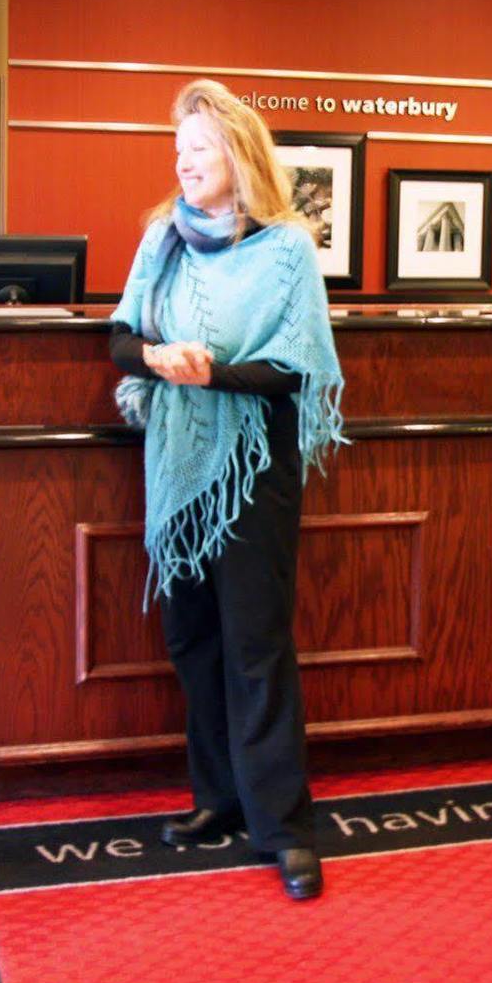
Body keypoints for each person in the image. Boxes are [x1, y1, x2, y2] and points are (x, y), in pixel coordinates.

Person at [109, 80, 346, 901]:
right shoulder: (161, 239)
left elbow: (296, 368)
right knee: (193, 640)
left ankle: (284, 827)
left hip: (254, 467)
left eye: (200, 146)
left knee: (255, 645)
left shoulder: (285, 249)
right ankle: (217, 799)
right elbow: (119, 336)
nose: (184, 159)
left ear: (239, 157)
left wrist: (212, 370)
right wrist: (154, 358)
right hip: (177, 465)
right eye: (179, 147)